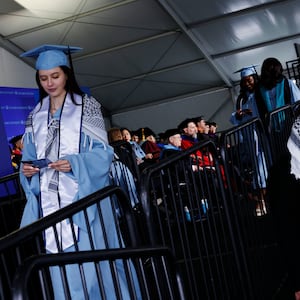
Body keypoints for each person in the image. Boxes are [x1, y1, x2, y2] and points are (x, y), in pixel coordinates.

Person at [19, 44, 140, 299]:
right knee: (63, 265)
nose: (49, 83)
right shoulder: (35, 116)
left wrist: (76, 163)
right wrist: (27, 170)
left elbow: (104, 154)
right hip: (52, 203)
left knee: (98, 261)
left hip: (85, 199)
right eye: (43, 78)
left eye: (55, 76)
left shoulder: (87, 107)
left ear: (66, 75)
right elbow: (28, 158)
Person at [256, 57, 300, 123]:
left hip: (290, 123)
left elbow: (297, 103)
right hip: (272, 128)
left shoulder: (287, 83)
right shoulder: (261, 90)